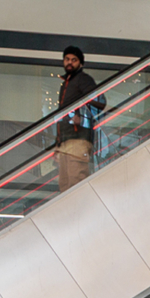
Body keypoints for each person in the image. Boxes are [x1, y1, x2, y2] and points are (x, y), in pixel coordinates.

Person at [55, 45, 102, 192]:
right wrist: (58, 143)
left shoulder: (83, 80)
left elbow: (99, 102)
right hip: (66, 142)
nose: (70, 62)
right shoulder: (65, 84)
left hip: (79, 140)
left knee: (75, 185)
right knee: (65, 185)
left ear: (80, 63)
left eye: (74, 60)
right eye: (67, 59)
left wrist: (80, 116)